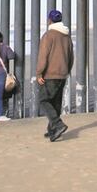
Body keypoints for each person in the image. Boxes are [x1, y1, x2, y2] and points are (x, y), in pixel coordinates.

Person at [36, 10, 73, 142]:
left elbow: (43, 56)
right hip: (62, 73)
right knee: (56, 102)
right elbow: (71, 56)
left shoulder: (48, 35)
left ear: (49, 20)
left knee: (44, 100)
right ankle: (52, 129)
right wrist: (66, 70)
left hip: (50, 74)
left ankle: (58, 124)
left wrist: (39, 72)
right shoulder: (66, 36)